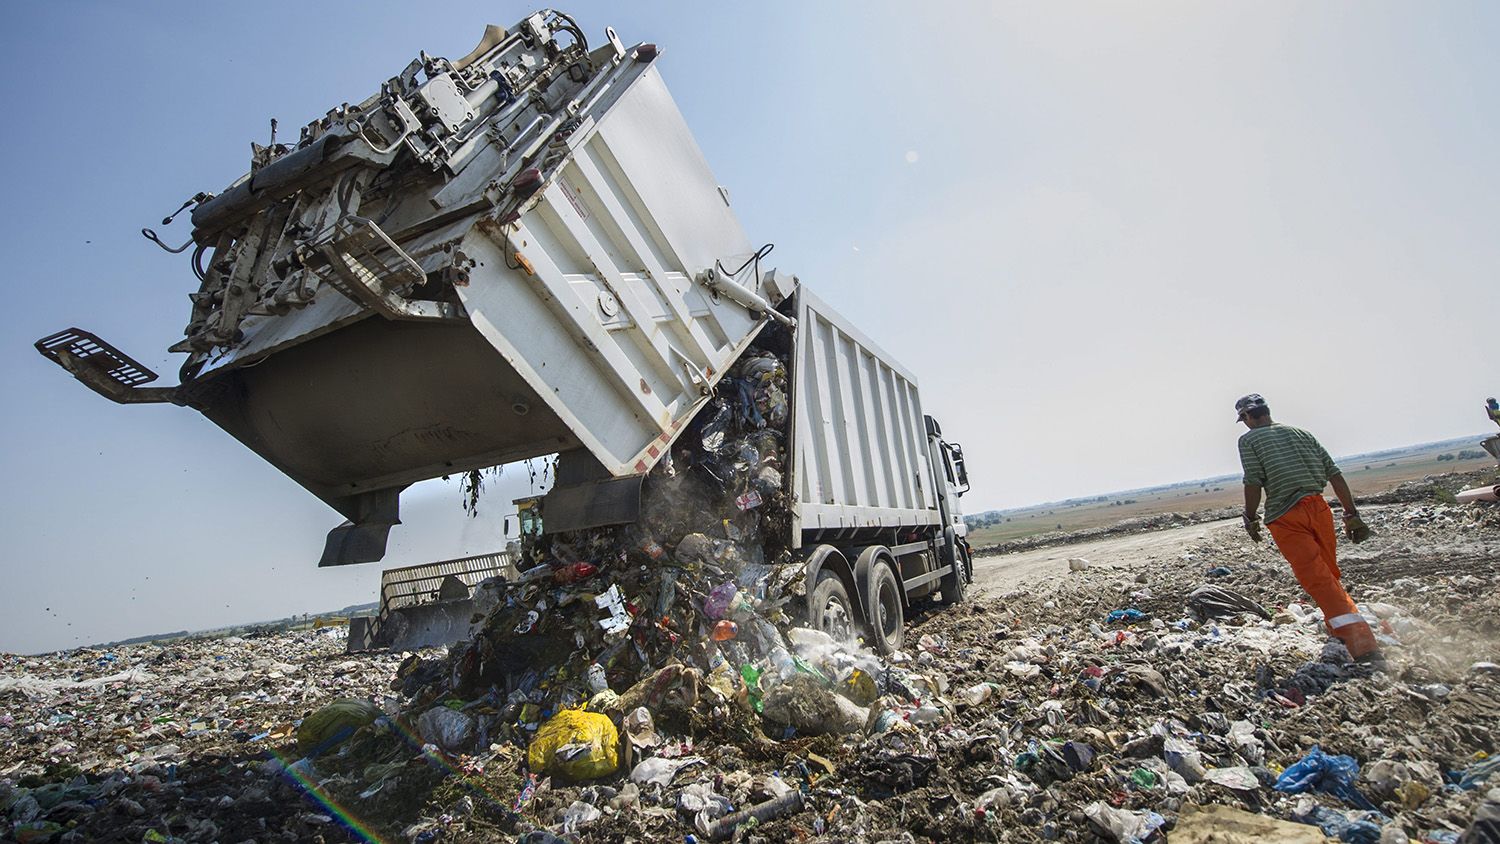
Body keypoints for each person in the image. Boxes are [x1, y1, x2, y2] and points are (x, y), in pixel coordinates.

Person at [1234, 393, 1379, 660]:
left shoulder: (1249, 440)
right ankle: (1339, 631)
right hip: (1319, 508)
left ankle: (1363, 646)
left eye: (1242, 419)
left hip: (1286, 516)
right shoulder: (1302, 433)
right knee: (1328, 575)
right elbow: (1334, 473)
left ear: (1246, 417)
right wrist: (1351, 512)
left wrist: (1250, 516)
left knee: (1318, 579)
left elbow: (1253, 481)